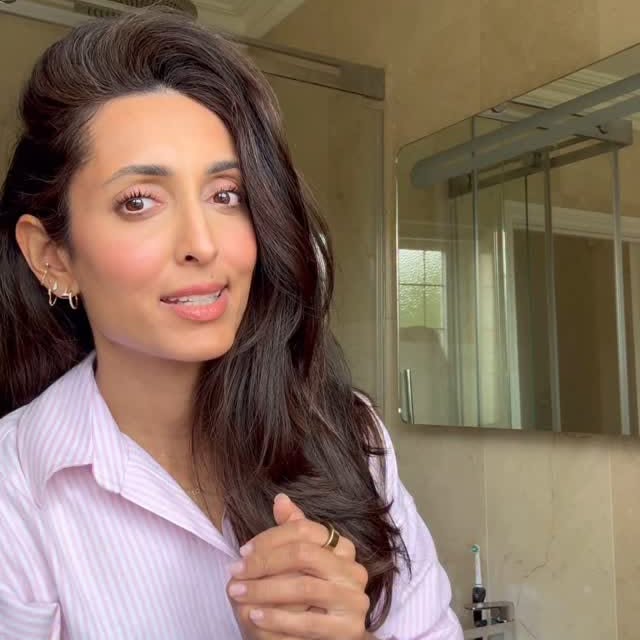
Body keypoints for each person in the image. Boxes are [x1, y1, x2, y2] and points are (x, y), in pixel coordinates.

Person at [0, 10, 463, 640]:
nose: (202, 244)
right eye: (139, 201)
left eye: (226, 195)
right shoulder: (17, 489)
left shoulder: (346, 434)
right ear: (52, 256)